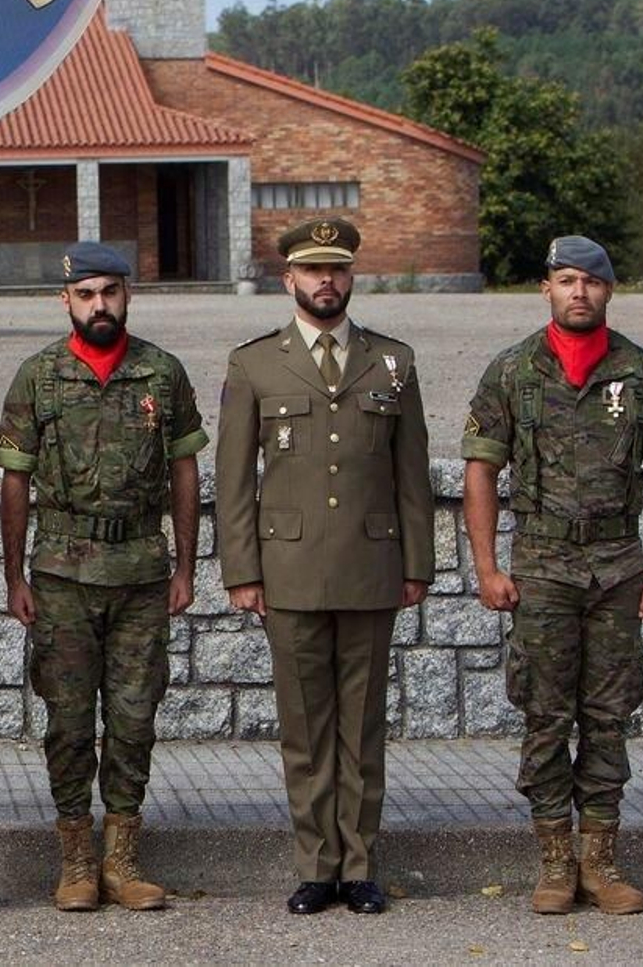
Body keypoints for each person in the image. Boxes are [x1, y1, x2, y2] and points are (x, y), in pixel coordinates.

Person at [462, 235, 643, 916]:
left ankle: (601, 859)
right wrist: (487, 565)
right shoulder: (512, 372)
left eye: (591, 281)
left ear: (609, 291)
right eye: (566, 280)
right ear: (547, 289)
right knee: (545, 713)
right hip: (542, 570)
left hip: (620, 567)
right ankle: (555, 859)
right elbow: (482, 469)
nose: (579, 292)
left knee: (609, 714)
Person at [216, 217, 433, 916]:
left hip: (371, 566)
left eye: (337, 270)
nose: (326, 282)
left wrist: (417, 564)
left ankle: (361, 865)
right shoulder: (255, 363)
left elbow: (411, 475)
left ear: (351, 278)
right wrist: (242, 570)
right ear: (290, 281)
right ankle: (317, 865)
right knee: (306, 729)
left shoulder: (391, 361)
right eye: (313, 271)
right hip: (291, 571)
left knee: (363, 728)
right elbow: (235, 479)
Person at [0, 242, 207, 912]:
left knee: (135, 716)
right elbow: (15, 480)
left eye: (109, 292)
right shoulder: (39, 376)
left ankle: (122, 856)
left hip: (141, 570)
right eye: (85, 294)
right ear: (66, 301)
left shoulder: (161, 373)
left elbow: (184, 473)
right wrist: (14, 575)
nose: (99, 305)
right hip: (61, 571)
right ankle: (77, 858)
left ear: (127, 295)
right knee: (67, 721)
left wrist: (186, 565)